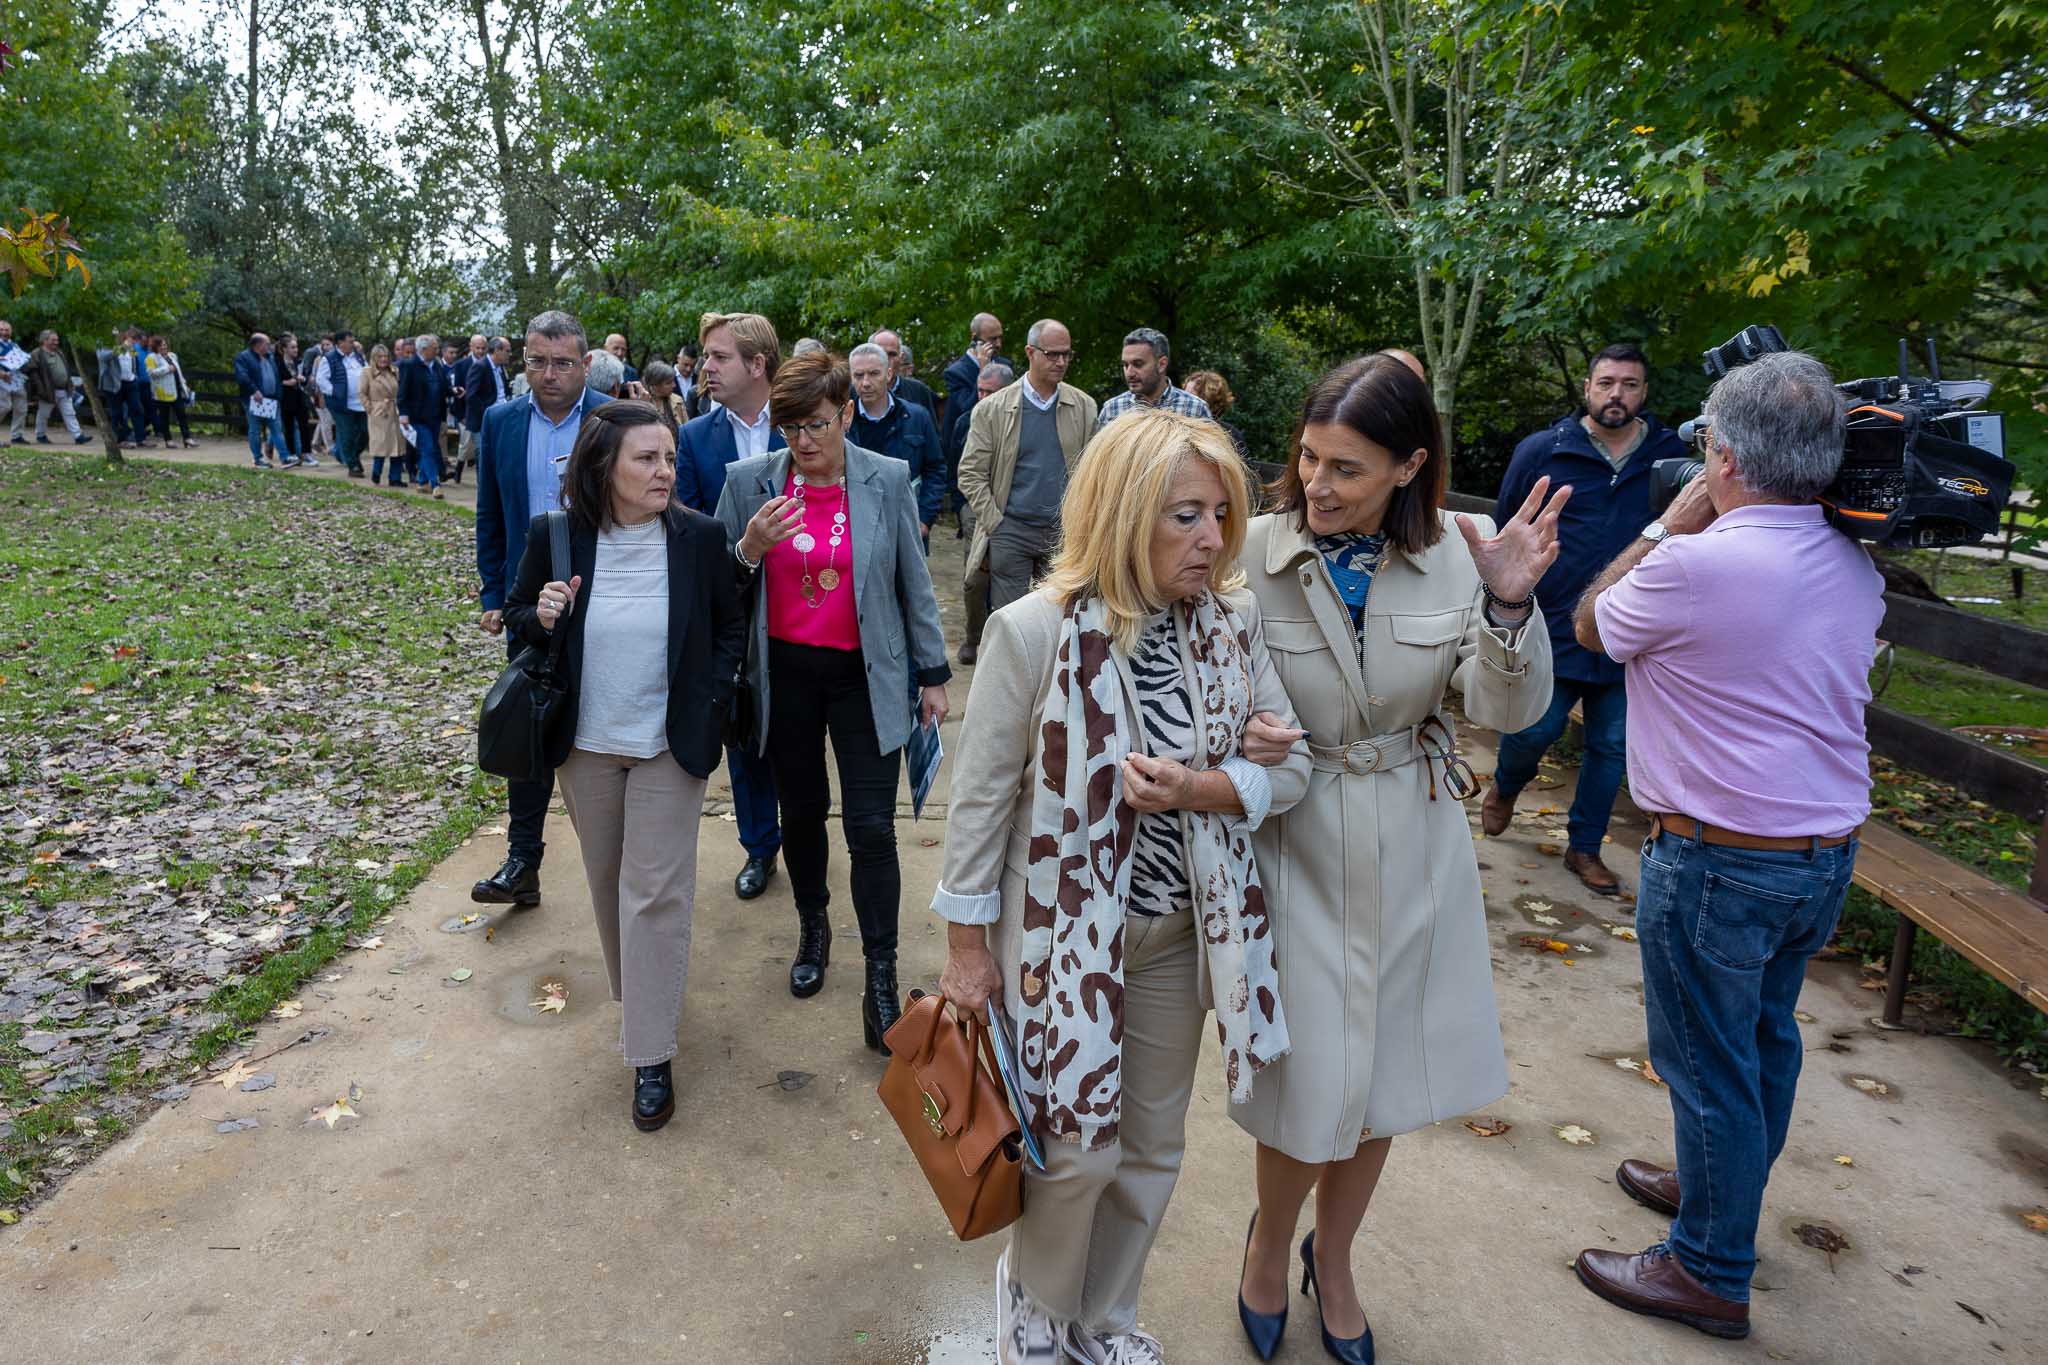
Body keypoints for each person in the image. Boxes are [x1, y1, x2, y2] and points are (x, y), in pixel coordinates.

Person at [933, 408, 1309, 1365]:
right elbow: (977, 809)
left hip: (1183, 932)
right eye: (1186, 516)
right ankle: (1038, 1311)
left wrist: (1239, 768)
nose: (1214, 541)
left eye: (1221, 515)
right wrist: (966, 950)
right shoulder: (1031, 632)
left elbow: (1292, 776)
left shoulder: (1231, 626)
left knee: (1149, 1147)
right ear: (1122, 511)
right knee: (1073, 1149)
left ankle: (1102, 1319)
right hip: (1060, 937)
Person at [1229, 354, 1565, 1364]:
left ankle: (1333, 1260)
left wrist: (1508, 612)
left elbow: (1507, 711)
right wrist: (1229, 740)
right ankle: (1266, 1243)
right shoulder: (1248, 550)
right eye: (1308, 459)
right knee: (1304, 1077)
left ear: (1409, 464)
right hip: (1292, 835)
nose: (1318, 486)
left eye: (1348, 469)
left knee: (1379, 1082)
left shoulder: (1463, 561)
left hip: (1412, 836)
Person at [1569, 351, 1880, 1342]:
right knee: (1760, 1043)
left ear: (1724, 458)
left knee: (1706, 1066)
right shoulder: (1851, 559)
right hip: (1818, 854)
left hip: (1717, 862)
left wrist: (1669, 519)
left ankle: (1706, 1269)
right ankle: (1717, 1193)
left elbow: (1586, 626)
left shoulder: (1695, 564)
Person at [500, 399, 745, 1132]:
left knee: (655, 892)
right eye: (648, 458)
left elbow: (730, 622)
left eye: (670, 457)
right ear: (605, 467)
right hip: (587, 742)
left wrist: (714, 694)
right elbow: (516, 618)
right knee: (609, 883)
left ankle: (650, 1053)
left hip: (671, 742)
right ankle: (644, 994)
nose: (665, 470)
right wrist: (540, 614)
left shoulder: (700, 538)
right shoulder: (558, 537)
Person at [713, 351, 950, 1047]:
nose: (804, 442)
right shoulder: (747, 482)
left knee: (872, 827)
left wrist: (933, 673)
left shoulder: (886, 478)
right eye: (789, 428)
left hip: (863, 675)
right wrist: (748, 549)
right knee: (804, 812)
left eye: (816, 424)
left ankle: (881, 974)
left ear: (846, 413)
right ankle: (813, 925)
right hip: (783, 675)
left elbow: (913, 580)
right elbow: (717, 594)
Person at [1482, 343, 1686, 896]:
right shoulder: (1545, 451)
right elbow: (1507, 529)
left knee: (1611, 745)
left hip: (1633, 633)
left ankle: (1584, 848)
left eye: (1629, 384)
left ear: (1645, 393)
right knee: (1536, 729)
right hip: (1554, 623)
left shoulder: (1671, 460)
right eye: (1605, 383)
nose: (1616, 393)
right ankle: (1505, 786)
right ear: (1588, 388)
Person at [473, 310, 614, 909]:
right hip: (530, 603)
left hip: (606, 593)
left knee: (604, 726)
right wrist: (492, 596)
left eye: (562, 363)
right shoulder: (501, 421)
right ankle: (522, 861)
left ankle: (619, 862)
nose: (549, 374)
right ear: (522, 361)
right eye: (537, 361)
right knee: (526, 724)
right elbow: (490, 513)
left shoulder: (611, 418)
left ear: (585, 363)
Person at [677, 311, 788, 904]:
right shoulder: (695, 438)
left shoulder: (801, 424)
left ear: (756, 365)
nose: (706, 369)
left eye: (719, 358)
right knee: (742, 730)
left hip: (802, 603)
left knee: (794, 731)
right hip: (731, 607)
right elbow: (690, 530)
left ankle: (801, 836)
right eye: (706, 358)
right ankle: (759, 846)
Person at [958, 318, 1098, 614]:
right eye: (1052, 354)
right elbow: (970, 473)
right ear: (1030, 352)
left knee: (1061, 616)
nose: (1061, 362)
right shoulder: (992, 409)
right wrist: (996, 522)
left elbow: (1093, 472)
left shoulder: (1084, 407)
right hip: (1012, 530)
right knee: (1012, 618)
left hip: (1063, 532)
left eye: (1066, 354)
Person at [847, 342, 945, 543]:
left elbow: (935, 469)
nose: (865, 382)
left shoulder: (917, 417)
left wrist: (925, 520)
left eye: (874, 373)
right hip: (855, 527)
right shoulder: (841, 421)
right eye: (858, 375)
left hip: (906, 525)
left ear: (889, 374)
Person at [949, 361, 1011, 665]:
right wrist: (963, 507)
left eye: (991, 392)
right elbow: (955, 465)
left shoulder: (1019, 419)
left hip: (1013, 507)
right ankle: (974, 636)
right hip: (974, 506)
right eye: (980, 391)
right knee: (975, 577)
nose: (984, 398)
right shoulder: (966, 420)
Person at [943, 312, 1007, 518]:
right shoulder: (956, 372)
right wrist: (983, 369)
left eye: (999, 337)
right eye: (992, 339)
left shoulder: (1005, 366)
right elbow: (968, 407)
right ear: (975, 338)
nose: (997, 343)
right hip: (970, 447)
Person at [1097, 327, 1212, 431]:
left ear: (1162, 364)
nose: (1129, 373)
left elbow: (1210, 453)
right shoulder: (1112, 410)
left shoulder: (1195, 408)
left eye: (1138, 364)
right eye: (1125, 365)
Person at [397, 332, 451, 495]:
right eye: (434, 348)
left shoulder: (436, 366)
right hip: (417, 416)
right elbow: (403, 392)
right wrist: (403, 414)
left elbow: (444, 387)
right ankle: (435, 484)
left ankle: (422, 481)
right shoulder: (409, 365)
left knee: (429, 448)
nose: (437, 351)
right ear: (424, 349)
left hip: (435, 415)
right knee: (428, 448)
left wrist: (454, 391)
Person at [456, 336, 510, 483]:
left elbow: (502, 392)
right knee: (482, 453)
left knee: (497, 453)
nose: (509, 354)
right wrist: (487, 413)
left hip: (501, 417)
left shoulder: (500, 368)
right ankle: (483, 489)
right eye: (507, 351)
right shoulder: (480, 366)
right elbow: (471, 395)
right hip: (483, 420)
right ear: (497, 351)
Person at [319, 331, 369, 478]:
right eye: (350, 341)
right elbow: (321, 379)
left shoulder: (358, 357)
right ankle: (352, 465)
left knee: (365, 433)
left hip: (361, 403)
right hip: (341, 404)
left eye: (353, 340)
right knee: (347, 434)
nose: (353, 343)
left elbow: (367, 372)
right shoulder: (329, 358)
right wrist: (335, 391)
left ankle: (349, 455)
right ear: (340, 343)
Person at [233, 332, 287, 469]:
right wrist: (254, 390)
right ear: (258, 345)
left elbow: (276, 376)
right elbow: (242, 377)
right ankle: (258, 458)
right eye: (267, 343)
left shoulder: (269, 357)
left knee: (277, 429)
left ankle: (285, 457)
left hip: (272, 399)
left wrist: (278, 394)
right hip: (254, 400)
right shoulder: (243, 357)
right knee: (255, 430)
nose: (270, 346)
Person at [26, 330, 88, 444]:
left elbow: (65, 369)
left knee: (69, 412)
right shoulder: (37, 353)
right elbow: (32, 372)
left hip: (64, 389)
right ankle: (41, 435)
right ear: (44, 340)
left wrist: (70, 384)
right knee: (44, 414)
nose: (56, 342)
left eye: (57, 340)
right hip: (47, 390)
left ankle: (78, 436)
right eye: (53, 340)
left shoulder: (59, 352)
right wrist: (40, 389)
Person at [866, 329, 937, 418]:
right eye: (880, 353)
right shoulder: (854, 393)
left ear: (901, 357)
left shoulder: (919, 391)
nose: (886, 360)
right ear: (867, 356)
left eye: (892, 354)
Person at [1182, 370, 1250, 463]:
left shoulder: (1229, 435)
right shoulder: (1177, 428)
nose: (1183, 400)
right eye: (1184, 395)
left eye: (1190, 397)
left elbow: (1245, 474)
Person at [361, 344, 405, 485]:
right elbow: (362, 393)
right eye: (380, 356)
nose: (384, 359)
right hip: (378, 411)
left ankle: (395, 478)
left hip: (394, 410)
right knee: (380, 445)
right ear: (374, 357)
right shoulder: (367, 372)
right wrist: (370, 408)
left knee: (397, 447)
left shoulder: (395, 371)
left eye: (386, 356)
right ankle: (376, 473)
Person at [145, 336, 198, 449]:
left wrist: (184, 384)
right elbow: (151, 373)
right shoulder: (151, 358)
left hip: (176, 389)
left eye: (165, 344)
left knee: (182, 415)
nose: (164, 347)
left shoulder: (172, 356)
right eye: (161, 345)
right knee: (164, 417)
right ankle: (168, 440)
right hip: (162, 392)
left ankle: (187, 438)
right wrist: (167, 369)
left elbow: (178, 371)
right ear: (156, 346)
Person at [275, 335, 317, 466]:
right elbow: (275, 380)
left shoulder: (297, 361)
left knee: (304, 425)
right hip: (286, 398)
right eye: (292, 347)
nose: (295, 349)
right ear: (284, 349)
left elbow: (304, 377)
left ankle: (307, 453)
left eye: (296, 347)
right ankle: (292, 454)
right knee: (288, 426)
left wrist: (304, 379)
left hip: (299, 397)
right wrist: (285, 382)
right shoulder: (277, 362)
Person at [0, 320, 28, 444]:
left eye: (7, 330)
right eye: (1, 330)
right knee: (4, 407)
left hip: (15, 378)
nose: (4, 332)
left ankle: (17, 436)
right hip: (1, 379)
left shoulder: (15, 345)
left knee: (22, 407)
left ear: (11, 331)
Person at [641, 359, 685, 436]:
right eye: (668, 383)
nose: (674, 385)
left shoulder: (678, 401)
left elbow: (686, 429)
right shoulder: (642, 403)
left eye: (673, 381)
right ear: (655, 385)